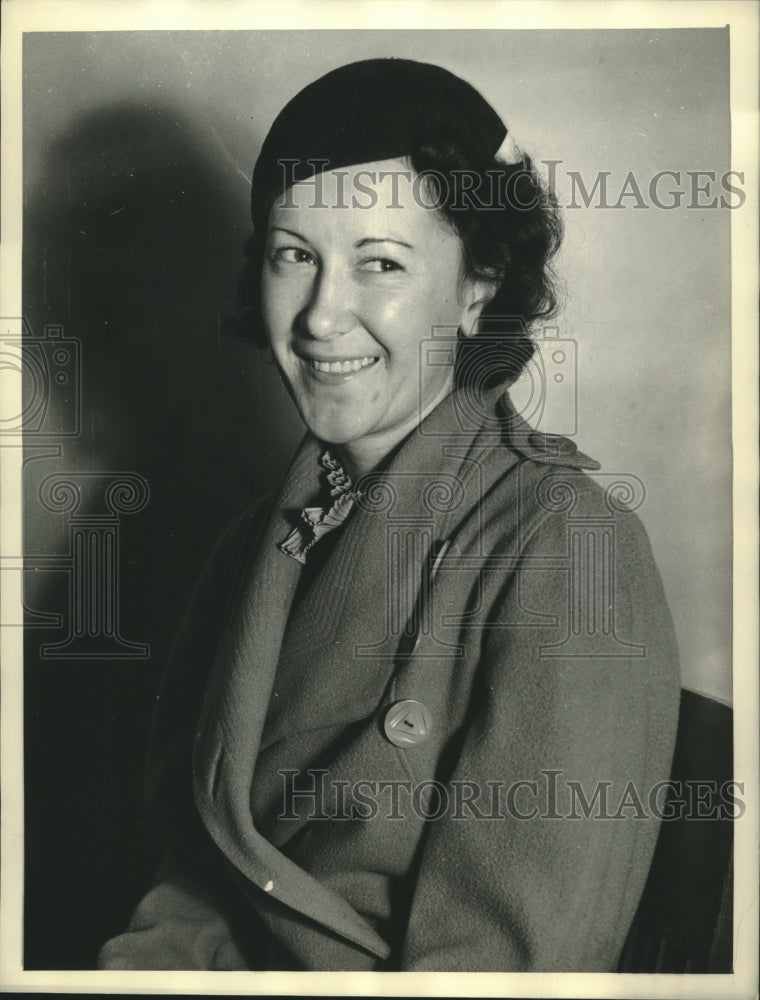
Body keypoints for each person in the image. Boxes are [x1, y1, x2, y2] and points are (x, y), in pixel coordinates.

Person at [98, 57, 681, 972]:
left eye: (380, 263)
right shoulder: (255, 541)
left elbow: (506, 969)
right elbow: (197, 871)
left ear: (481, 281)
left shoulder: (567, 545)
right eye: (295, 256)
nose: (323, 317)